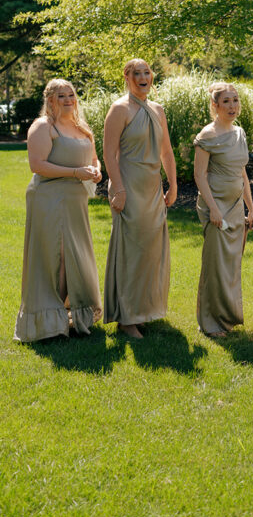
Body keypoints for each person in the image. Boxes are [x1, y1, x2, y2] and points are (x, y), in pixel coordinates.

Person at [14, 79, 102, 342]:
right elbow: (37, 164)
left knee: (75, 254)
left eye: (71, 95)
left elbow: (94, 158)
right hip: (49, 198)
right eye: (61, 95)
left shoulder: (81, 127)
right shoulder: (43, 126)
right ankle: (48, 319)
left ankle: (72, 311)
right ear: (50, 100)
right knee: (54, 254)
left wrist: (96, 171)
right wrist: (76, 172)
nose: (68, 100)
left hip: (76, 201)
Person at [102, 58, 177, 338]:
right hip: (128, 188)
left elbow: (166, 152)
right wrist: (118, 188)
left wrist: (173, 185)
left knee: (150, 253)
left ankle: (143, 310)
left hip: (152, 189)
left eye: (147, 72)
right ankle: (126, 318)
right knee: (131, 252)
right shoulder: (119, 109)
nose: (143, 77)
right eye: (137, 73)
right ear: (127, 77)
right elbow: (109, 154)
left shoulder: (158, 110)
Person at [193, 82, 253, 337]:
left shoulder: (239, 133)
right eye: (227, 101)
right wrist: (214, 210)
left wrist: (250, 208)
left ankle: (227, 317)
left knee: (231, 264)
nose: (232, 106)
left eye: (235, 100)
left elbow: (242, 174)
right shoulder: (207, 136)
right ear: (215, 106)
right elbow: (199, 176)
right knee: (215, 264)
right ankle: (210, 322)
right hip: (215, 205)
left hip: (234, 205)